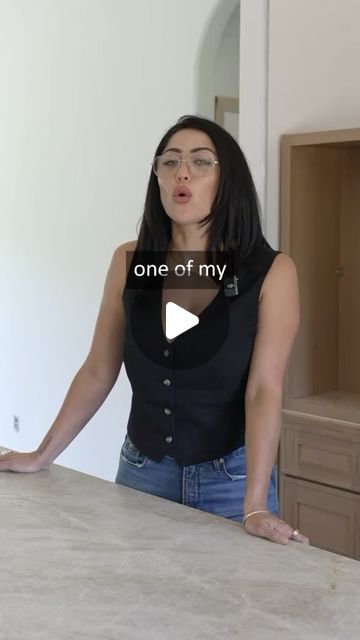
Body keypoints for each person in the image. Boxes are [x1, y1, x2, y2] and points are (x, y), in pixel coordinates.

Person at [0, 115, 309, 546]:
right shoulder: (130, 262)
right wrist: (41, 454)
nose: (182, 172)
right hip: (143, 472)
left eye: (201, 162)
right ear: (158, 177)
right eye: (170, 162)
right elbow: (98, 370)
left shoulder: (270, 272)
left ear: (228, 179)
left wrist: (254, 501)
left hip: (231, 481)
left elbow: (263, 389)